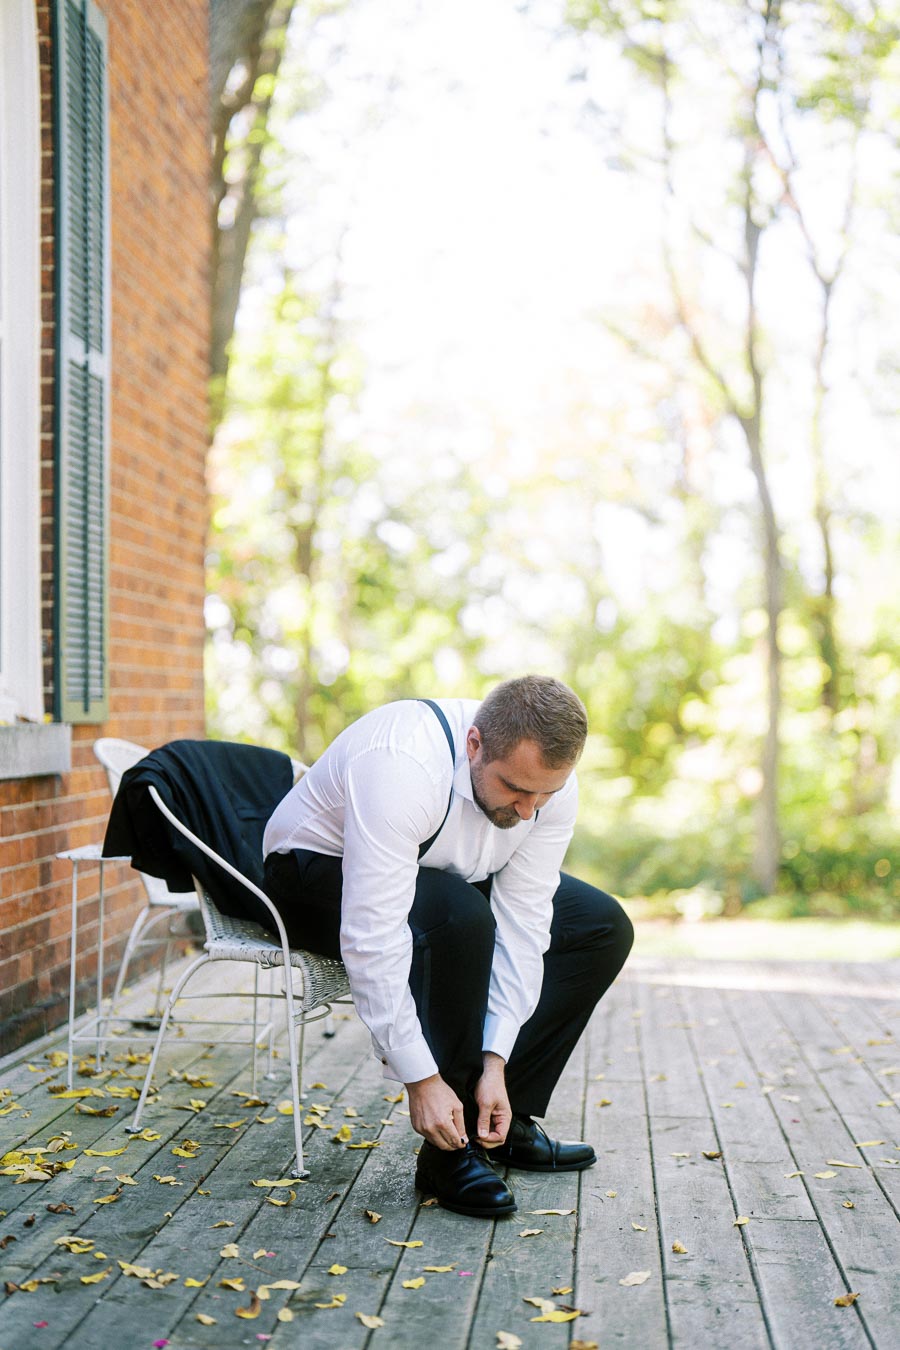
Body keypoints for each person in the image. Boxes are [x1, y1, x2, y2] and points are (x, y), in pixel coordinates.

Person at [262, 675, 633, 1218]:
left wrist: (497, 1060)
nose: (529, 810)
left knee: (600, 924)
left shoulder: (546, 787)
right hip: (310, 875)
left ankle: (502, 1122)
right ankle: (448, 1150)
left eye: (544, 795)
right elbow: (373, 934)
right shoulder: (402, 763)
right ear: (475, 744)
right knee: (461, 917)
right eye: (515, 789)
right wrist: (422, 1077)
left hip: (437, 875)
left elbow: (526, 918)